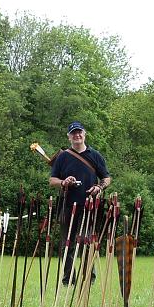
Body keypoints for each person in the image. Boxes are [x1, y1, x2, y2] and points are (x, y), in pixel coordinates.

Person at [49, 121, 111, 285]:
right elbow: (52, 180)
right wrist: (64, 182)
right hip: (67, 205)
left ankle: (89, 278)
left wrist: (99, 187)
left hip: (89, 206)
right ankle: (68, 279)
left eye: (79, 132)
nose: (77, 135)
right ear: (69, 136)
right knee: (67, 244)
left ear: (84, 134)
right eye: (73, 133)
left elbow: (106, 178)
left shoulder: (95, 155)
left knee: (87, 242)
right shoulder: (63, 156)